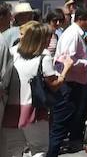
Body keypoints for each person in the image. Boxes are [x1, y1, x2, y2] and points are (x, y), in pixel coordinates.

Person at [2, 22, 73, 157]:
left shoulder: (12, 52)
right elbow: (54, 84)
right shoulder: (43, 56)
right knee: (39, 149)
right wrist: (65, 69)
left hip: (11, 110)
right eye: (48, 37)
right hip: (34, 111)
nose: (50, 40)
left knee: (13, 151)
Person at [45, 5, 87, 156]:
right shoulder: (73, 34)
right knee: (60, 125)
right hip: (68, 84)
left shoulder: (75, 33)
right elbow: (66, 60)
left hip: (71, 83)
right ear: (81, 19)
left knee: (62, 124)